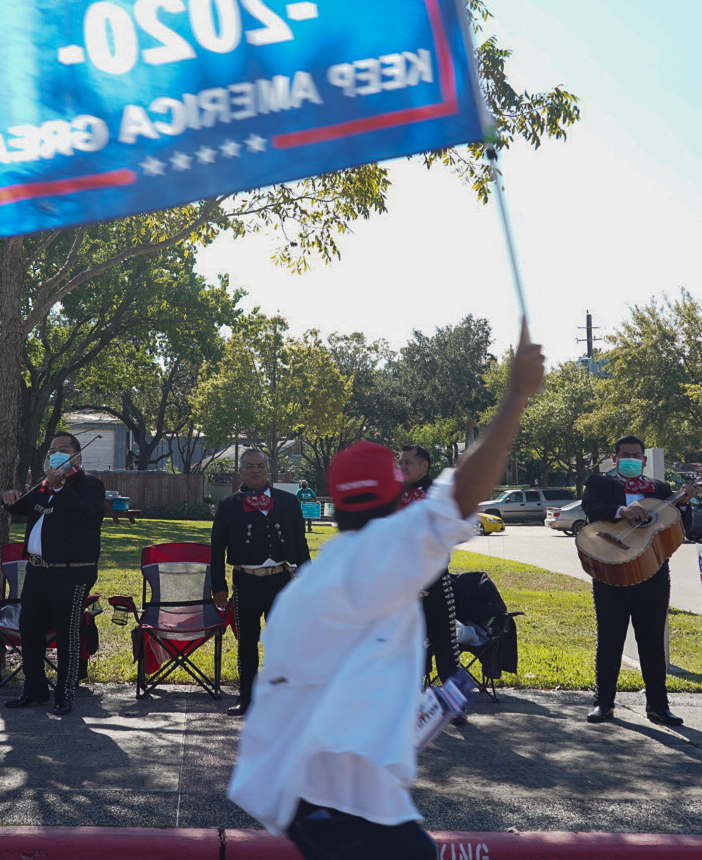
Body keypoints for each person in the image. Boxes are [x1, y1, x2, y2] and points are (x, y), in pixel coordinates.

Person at [230, 326, 544, 859]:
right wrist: (514, 397)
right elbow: (459, 500)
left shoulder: (321, 576)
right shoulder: (380, 554)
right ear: (394, 494)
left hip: (309, 797)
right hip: (347, 802)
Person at [580, 436, 693, 726]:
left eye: (636, 455)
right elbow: (592, 509)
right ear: (615, 459)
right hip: (611, 572)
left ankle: (658, 706)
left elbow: (682, 529)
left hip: (653, 575)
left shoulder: (662, 489)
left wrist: (685, 504)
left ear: (644, 460)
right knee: (609, 639)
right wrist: (624, 511)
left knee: (652, 641)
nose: (631, 458)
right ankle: (603, 703)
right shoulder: (600, 483)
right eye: (625, 454)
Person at [1, 431, 106, 716]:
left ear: (77, 455)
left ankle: (65, 693)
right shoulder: (43, 487)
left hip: (72, 573)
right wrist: (9, 499)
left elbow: (83, 515)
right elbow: (21, 507)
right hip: (38, 570)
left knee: (67, 632)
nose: (56, 454)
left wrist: (62, 488)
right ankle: (34, 690)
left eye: (63, 449)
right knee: (30, 629)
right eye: (52, 450)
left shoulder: (90, 485)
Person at [210, 449, 311, 715]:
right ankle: (247, 697)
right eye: (249, 466)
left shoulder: (289, 502)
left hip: (281, 581)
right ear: (241, 471)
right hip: (245, 582)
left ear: (268, 470)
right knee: (247, 642)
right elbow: (216, 549)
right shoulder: (228, 504)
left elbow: (301, 545)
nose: (255, 471)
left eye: (260, 466)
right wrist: (218, 587)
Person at [398, 445, 460, 691]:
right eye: (400, 462)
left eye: (408, 463)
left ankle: (454, 704)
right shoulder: (391, 494)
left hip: (434, 578)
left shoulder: (440, 494)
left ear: (424, 466)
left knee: (445, 644)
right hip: (401, 582)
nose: (402, 467)